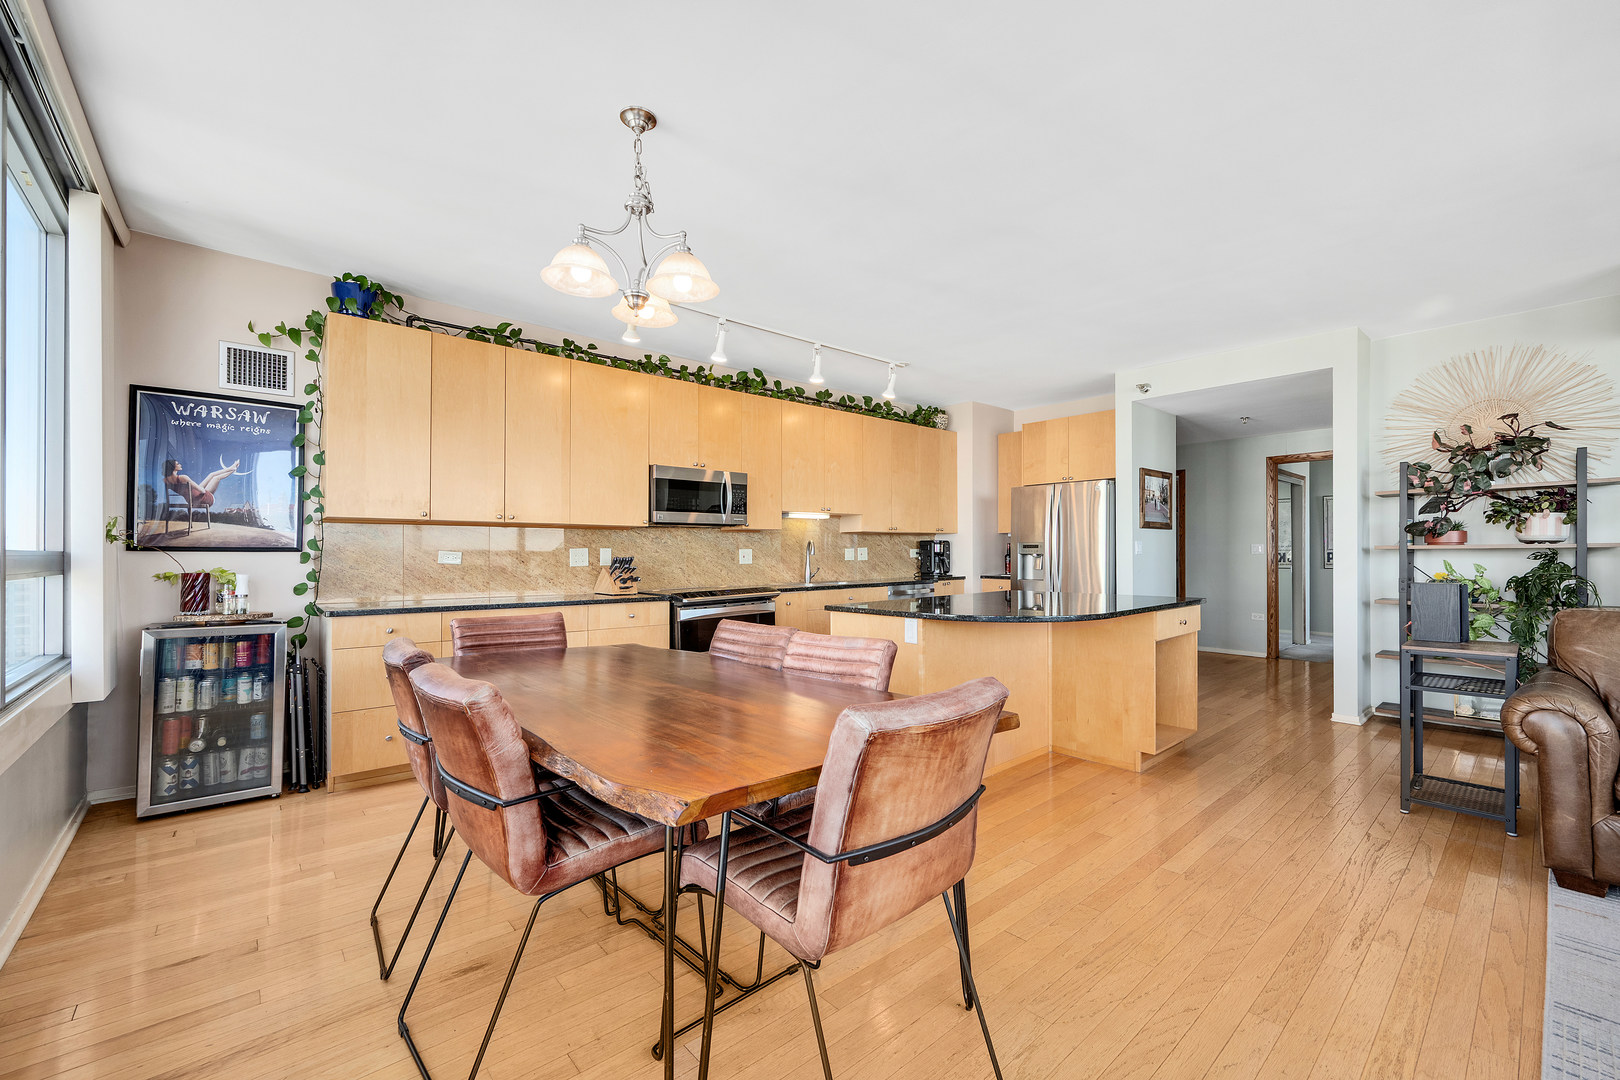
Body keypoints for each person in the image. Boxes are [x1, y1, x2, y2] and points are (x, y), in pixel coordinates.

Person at [164, 458, 238, 508]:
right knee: (216, 478)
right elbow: (202, 491)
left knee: (211, 475)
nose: (180, 465)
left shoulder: (166, 480)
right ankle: (232, 470)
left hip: (191, 499)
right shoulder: (183, 477)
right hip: (203, 499)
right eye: (177, 464)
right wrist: (201, 487)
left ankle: (231, 468)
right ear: (173, 467)